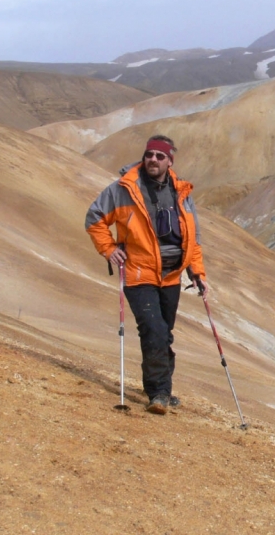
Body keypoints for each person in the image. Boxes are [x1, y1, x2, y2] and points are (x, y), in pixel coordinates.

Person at [86, 135, 207, 415]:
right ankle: (159, 393)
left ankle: (160, 385)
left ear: (169, 161)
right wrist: (108, 248)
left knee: (164, 334)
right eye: (149, 154)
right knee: (154, 330)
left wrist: (197, 274)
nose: (153, 159)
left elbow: (192, 238)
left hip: (172, 275)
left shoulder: (181, 192)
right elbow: (94, 219)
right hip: (138, 272)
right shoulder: (123, 189)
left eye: (159, 156)